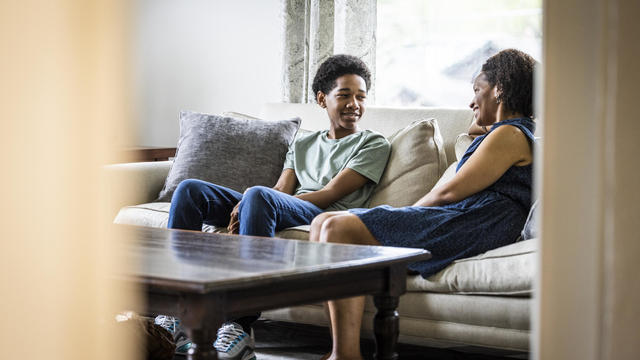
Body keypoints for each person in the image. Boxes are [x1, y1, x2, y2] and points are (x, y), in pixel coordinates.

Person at [156, 54, 391, 360]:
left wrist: (257, 198)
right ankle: (178, 311)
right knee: (190, 190)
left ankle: (238, 325)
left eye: (360, 96)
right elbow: (281, 189)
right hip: (289, 206)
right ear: (322, 99)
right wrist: (248, 202)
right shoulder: (304, 143)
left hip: (327, 215)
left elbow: (329, 193)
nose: (354, 104)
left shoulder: (372, 143)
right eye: (344, 95)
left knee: (258, 195)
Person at [309, 48, 538, 360]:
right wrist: (485, 121)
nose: (471, 102)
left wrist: (406, 213)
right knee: (321, 223)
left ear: (499, 89)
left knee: (336, 226)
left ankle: (345, 354)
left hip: (479, 220)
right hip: (475, 216)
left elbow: (447, 193)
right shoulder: (508, 131)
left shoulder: (509, 134)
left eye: (476, 90)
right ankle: (340, 349)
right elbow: (478, 132)